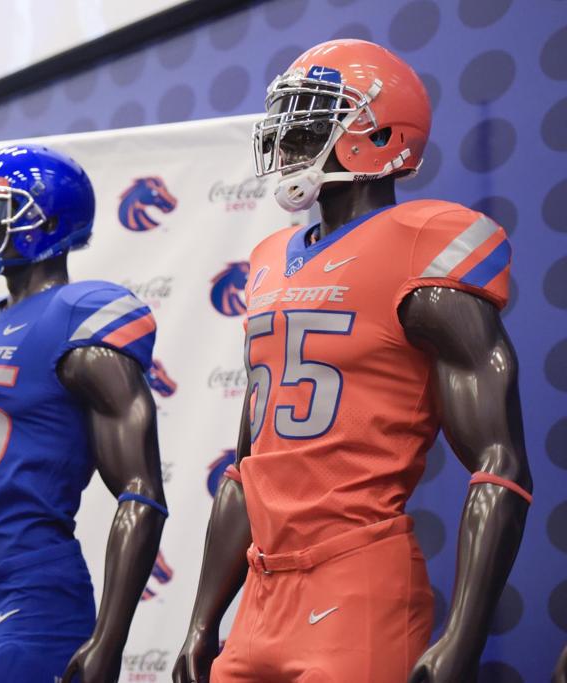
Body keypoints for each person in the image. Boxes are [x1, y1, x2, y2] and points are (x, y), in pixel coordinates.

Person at [173, 39, 531, 683]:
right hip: (258, 593)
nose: (287, 140)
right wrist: (202, 620)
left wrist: (464, 635)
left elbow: (498, 460)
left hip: (356, 580)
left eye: (309, 121)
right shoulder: (268, 259)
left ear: (378, 130)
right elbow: (247, 469)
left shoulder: (423, 245)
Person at [0, 144, 167, 683]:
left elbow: (141, 491)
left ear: (46, 220)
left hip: (36, 595)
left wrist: (109, 639)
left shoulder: (80, 317)